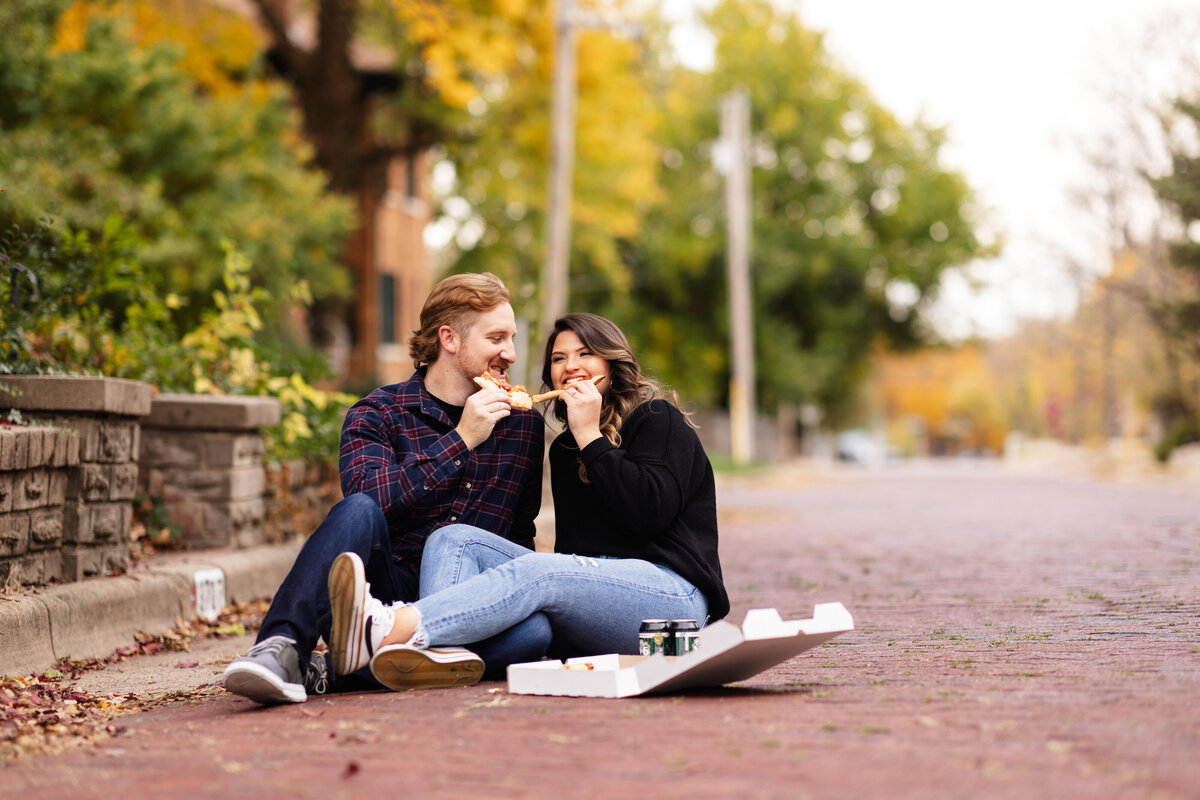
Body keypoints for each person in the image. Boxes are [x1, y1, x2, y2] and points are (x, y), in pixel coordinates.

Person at [325, 312, 729, 690]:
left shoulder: (657, 419)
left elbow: (647, 515)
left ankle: (386, 628)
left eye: (585, 354)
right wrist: (580, 440)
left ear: (613, 363)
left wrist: (591, 437)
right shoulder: (566, 450)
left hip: (673, 605)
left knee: (542, 570)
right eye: (559, 358)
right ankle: (438, 656)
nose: (570, 366)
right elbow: (576, 552)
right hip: (596, 607)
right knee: (452, 539)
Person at [221, 272, 550, 704]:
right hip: (375, 601)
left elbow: (516, 535)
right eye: (496, 338)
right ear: (449, 339)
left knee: (534, 634)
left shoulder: (523, 425)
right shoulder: (377, 412)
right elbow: (372, 500)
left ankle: (337, 674)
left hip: (463, 604)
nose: (509, 351)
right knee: (356, 510)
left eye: (511, 338)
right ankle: (279, 648)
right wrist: (461, 441)